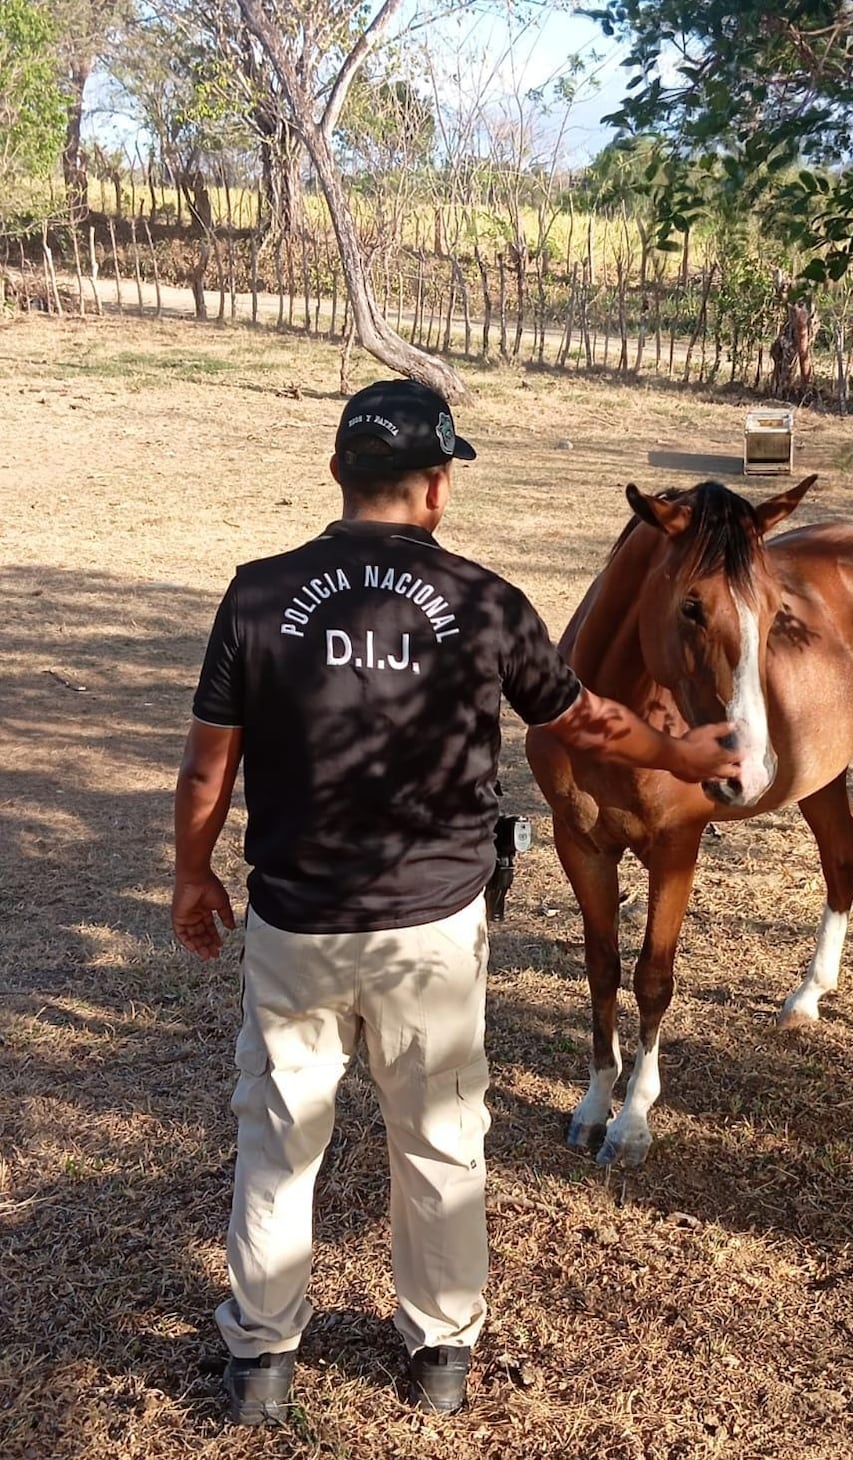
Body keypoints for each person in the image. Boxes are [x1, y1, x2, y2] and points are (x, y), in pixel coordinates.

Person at [172, 378, 742, 1427]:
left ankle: (260, 1361)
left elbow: (209, 767)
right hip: (431, 927)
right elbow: (591, 727)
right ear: (437, 487)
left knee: (277, 1132)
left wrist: (192, 871)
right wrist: (686, 749)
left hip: (297, 924)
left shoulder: (256, 595)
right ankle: (439, 1353)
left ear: (340, 473)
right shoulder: (485, 602)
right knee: (438, 1136)